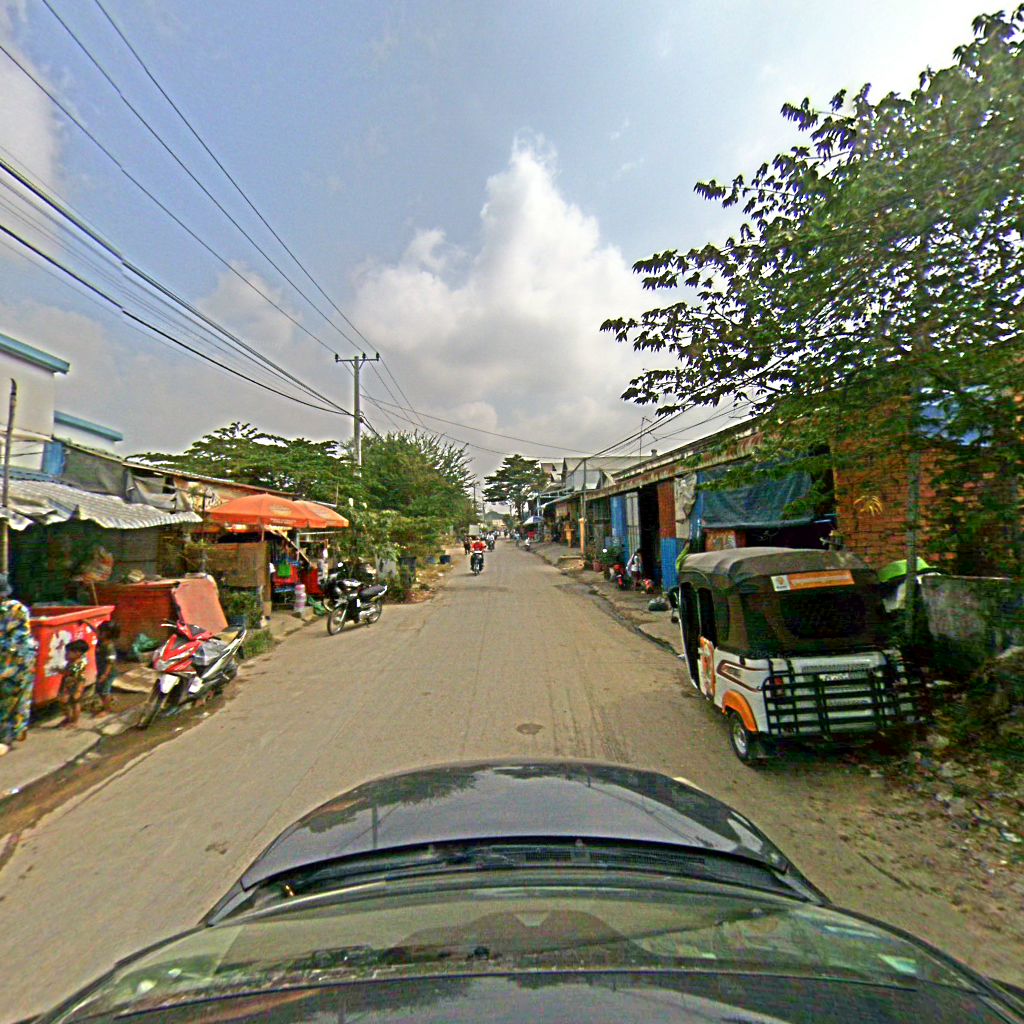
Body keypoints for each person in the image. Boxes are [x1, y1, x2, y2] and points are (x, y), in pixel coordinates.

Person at [0, 576, 37, 750]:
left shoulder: (16, 609)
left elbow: (15, 641)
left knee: (13, 698)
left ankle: (7, 737)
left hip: (17, 661)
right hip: (9, 660)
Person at [58, 639, 90, 728]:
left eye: (68, 653)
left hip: (74, 685)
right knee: (66, 703)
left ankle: (74, 721)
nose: (66, 655)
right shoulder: (71, 662)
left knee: (74, 703)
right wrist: (60, 671)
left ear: (77, 653)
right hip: (68, 684)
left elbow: (78, 678)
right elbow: (68, 672)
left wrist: (78, 690)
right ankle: (69, 718)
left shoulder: (79, 664)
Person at [91, 622, 120, 717]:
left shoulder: (109, 647)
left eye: (100, 632)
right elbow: (95, 630)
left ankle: (107, 710)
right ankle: (110, 700)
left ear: (107, 634)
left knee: (104, 691)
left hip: (108, 673)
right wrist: (86, 622)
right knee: (100, 690)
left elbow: (110, 663)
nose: (97, 633)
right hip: (101, 671)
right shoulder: (101, 640)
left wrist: (104, 675)